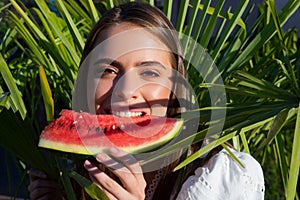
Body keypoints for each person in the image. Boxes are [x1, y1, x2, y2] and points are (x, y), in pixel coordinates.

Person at [28, 2, 265, 200]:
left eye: (149, 73)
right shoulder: (74, 172)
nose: (125, 90)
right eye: (108, 70)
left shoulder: (223, 174)